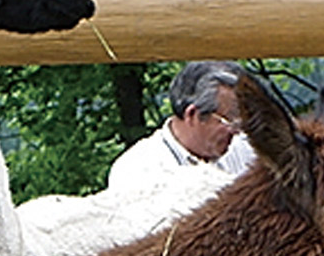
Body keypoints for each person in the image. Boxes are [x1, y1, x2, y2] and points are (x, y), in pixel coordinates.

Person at [108, 60, 257, 189]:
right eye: (229, 121)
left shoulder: (246, 151)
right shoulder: (138, 170)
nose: (237, 131)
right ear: (192, 115)